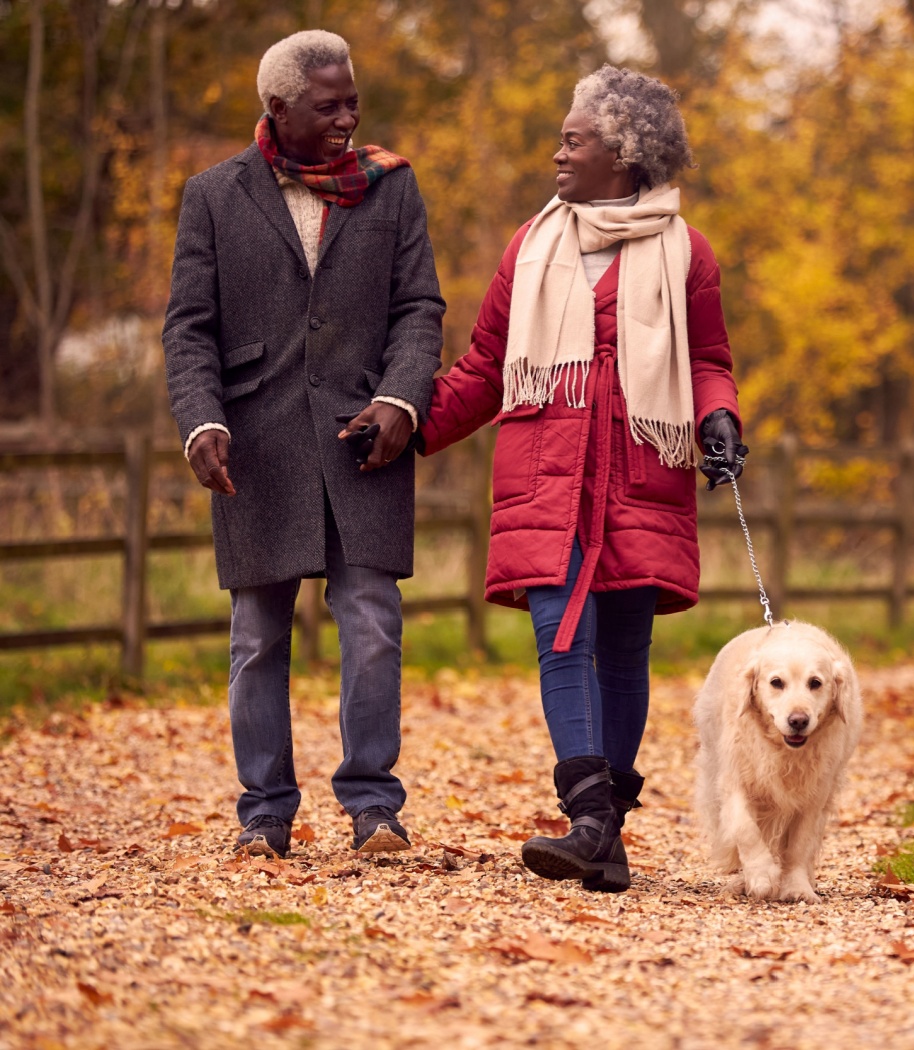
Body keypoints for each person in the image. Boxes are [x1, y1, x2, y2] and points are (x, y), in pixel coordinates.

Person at [418, 66, 744, 893]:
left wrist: (719, 419)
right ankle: (591, 816)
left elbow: (707, 360)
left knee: (626, 649)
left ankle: (601, 835)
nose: (557, 153)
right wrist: (413, 427)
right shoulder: (532, 245)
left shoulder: (685, 252)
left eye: (575, 140)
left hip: (642, 469)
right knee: (562, 636)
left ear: (626, 154)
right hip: (549, 473)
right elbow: (489, 365)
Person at [162, 30, 444, 858]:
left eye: (352, 98)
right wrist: (200, 421)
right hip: (256, 445)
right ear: (278, 108)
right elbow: (188, 329)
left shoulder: (391, 187)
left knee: (372, 622)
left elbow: (420, 308)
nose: (349, 116)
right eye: (330, 105)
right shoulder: (213, 196)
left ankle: (373, 807)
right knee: (256, 637)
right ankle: (265, 814)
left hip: (366, 436)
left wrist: (402, 397)